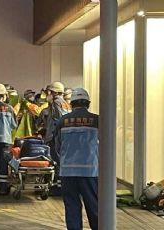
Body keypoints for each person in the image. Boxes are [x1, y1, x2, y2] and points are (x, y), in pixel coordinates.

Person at [54, 88, 98, 230]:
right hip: (90, 172)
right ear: (88, 103)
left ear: (71, 104)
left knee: (72, 206)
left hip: (68, 171)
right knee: (94, 206)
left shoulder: (62, 121)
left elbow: (57, 146)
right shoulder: (97, 120)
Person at [44, 81, 71, 195]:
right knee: (60, 160)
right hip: (63, 135)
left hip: (55, 136)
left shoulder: (56, 103)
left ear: (54, 92)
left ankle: (58, 187)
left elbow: (58, 119)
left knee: (56, 161)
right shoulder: (65, 103)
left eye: (49, 92)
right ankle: (59, 184)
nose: (47, 94)